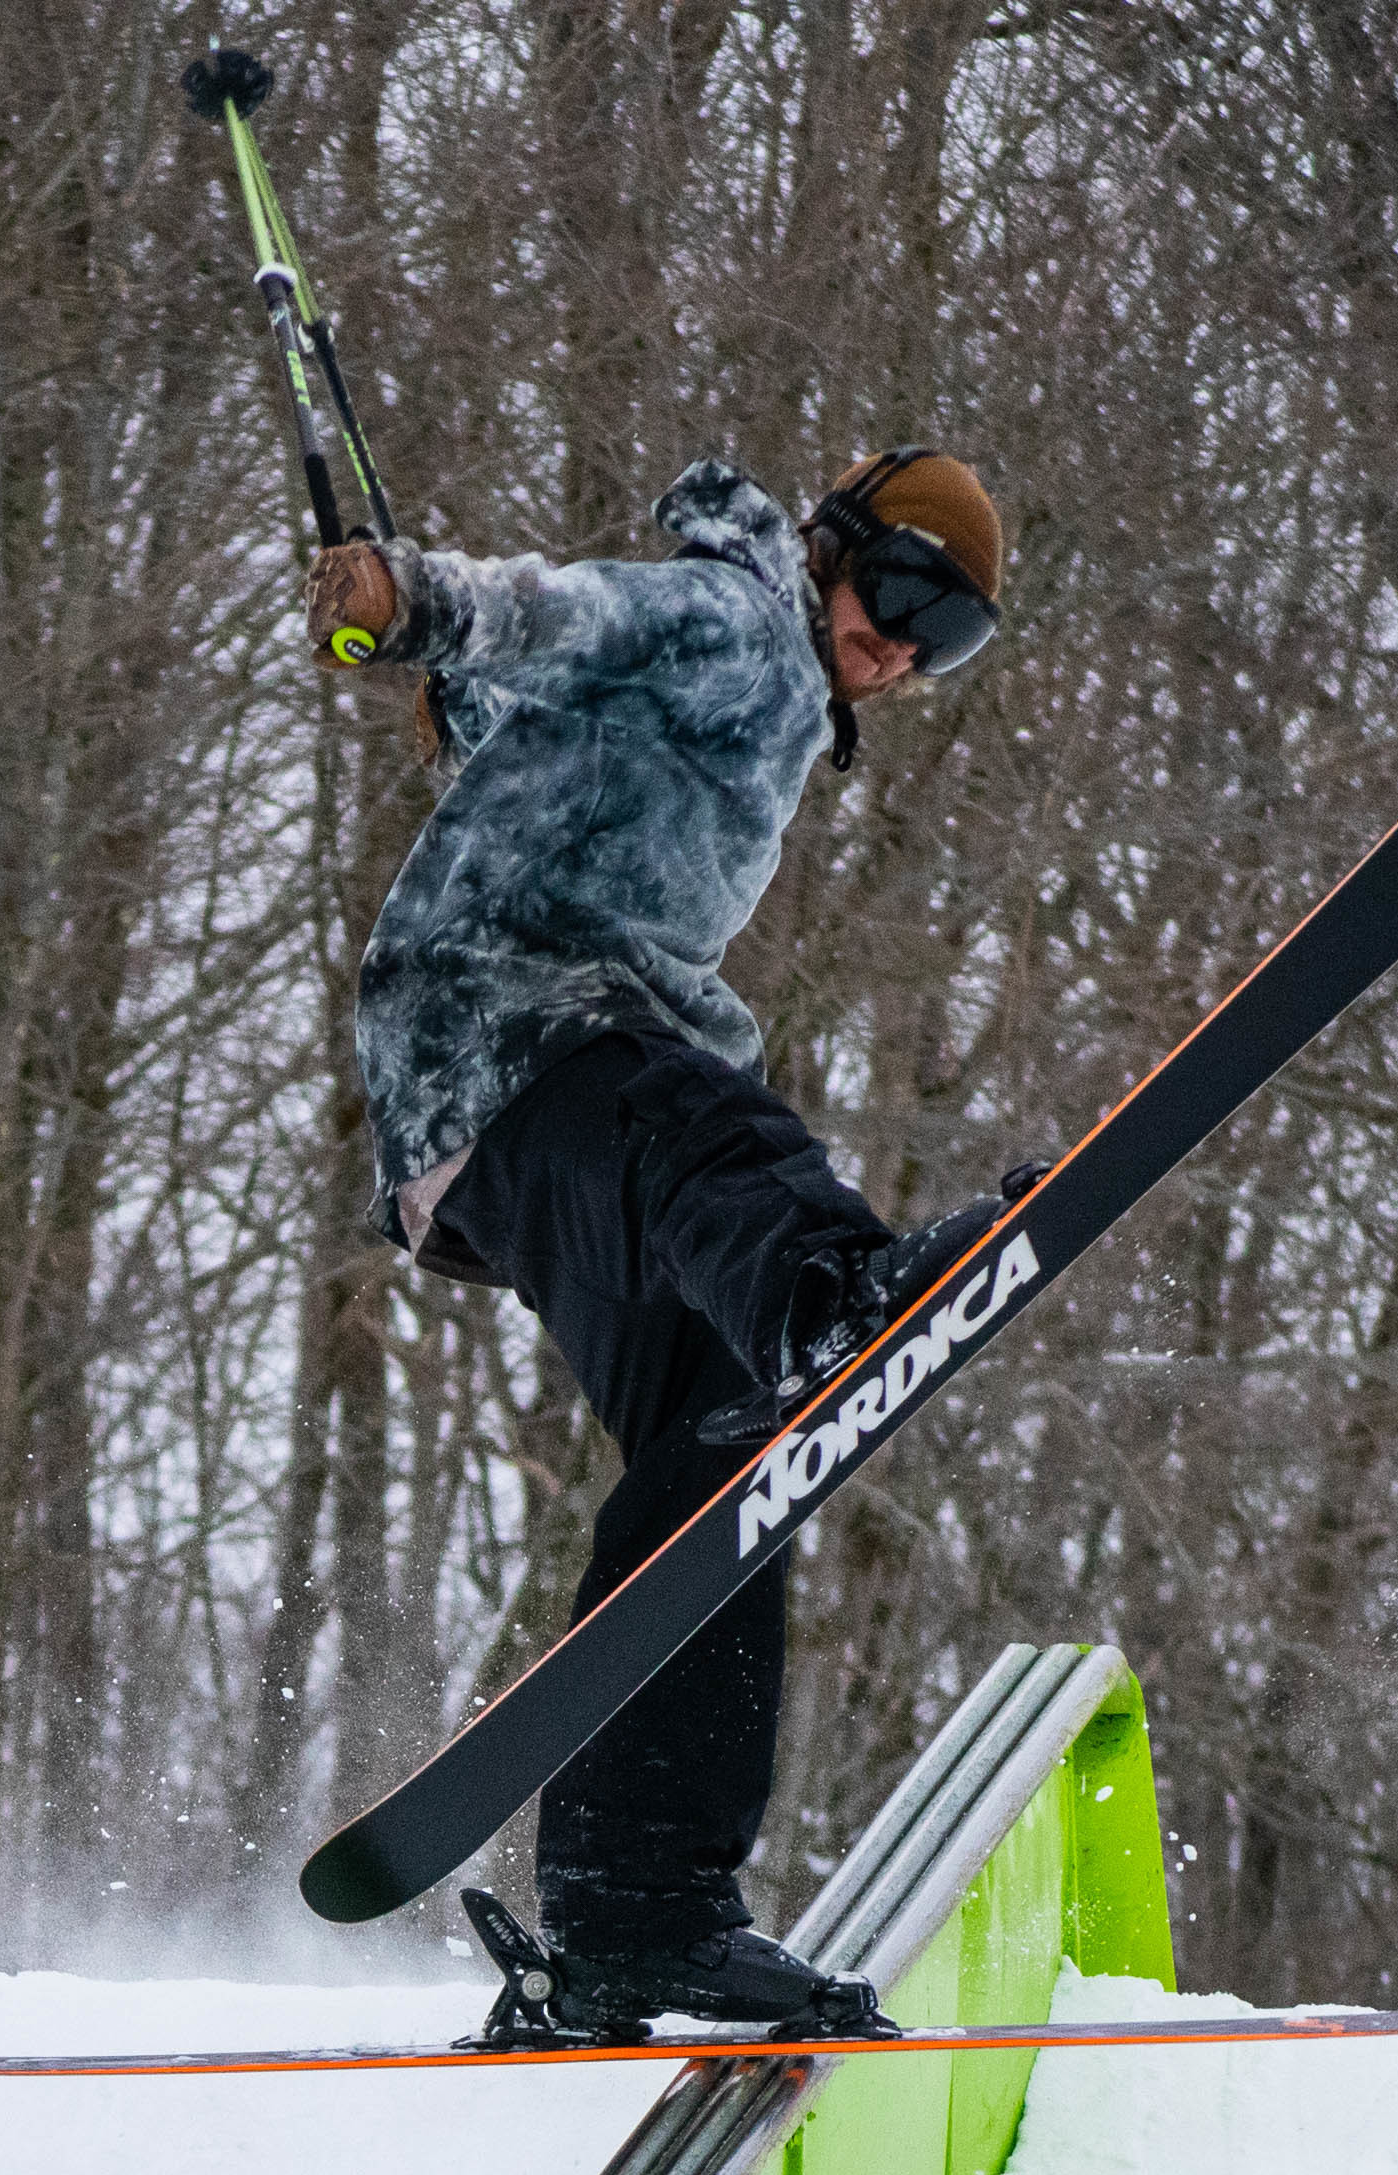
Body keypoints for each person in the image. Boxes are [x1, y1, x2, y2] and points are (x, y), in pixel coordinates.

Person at [312, 446, 1025, 2042]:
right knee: (708, 1131)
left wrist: (468, 715)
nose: (903, 646)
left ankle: (638, 1916)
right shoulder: (743, 622)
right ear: (838, 547)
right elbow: (571, 616)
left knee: (722, 1463)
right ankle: (835, 1291)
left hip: (516, 1120)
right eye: (904, 593)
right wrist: (419, 602)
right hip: (507, 1050)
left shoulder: (768, 701)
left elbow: (553, 733)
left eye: (950, 638)